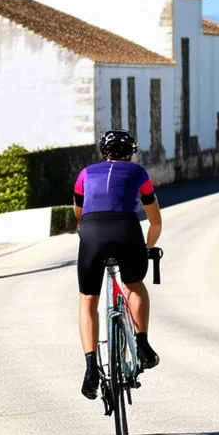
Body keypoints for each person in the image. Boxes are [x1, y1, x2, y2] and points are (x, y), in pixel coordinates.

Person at [74, 129, 163, 400]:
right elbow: (155, 221)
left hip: (92, 232)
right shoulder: (139, 174)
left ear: (103, 152)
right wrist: (146, 247)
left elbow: (78, 215)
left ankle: (91, 368)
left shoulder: (85, 174)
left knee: (88, 299)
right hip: (127, 231)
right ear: (131, 153)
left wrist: (90, 235)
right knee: (134, 284)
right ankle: (143, 342)